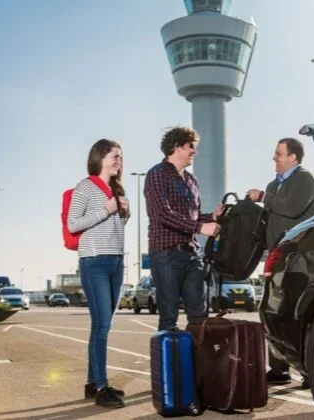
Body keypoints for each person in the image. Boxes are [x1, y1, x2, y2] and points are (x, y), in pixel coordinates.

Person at [247, 137, 314, 386]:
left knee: (298, 313)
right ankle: (279, 369)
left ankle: (311, 371)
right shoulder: (272, 184)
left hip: (298, 259)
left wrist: (264, 196)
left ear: (293, 158)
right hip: (276, 260)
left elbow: (292, 208)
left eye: (279, 154)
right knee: (272, 311)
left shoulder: (305, 179)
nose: (274, 158)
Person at [67, 138, 130, 409]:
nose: (118, 160)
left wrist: (124, 214)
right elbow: (73, 224)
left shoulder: (117, 189)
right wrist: (107, 209)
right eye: (113, 156)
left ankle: (93, 383)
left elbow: (115, 228)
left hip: (116, 262)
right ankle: (103, 387)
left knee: (101, 325)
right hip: (94, 261)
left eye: (120, 156)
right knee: (102, 325)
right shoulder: (86, 186)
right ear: (99, 157)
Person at [144, 126, 222, 332]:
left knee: (199, 315)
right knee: (169, 317)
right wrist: (200, 227)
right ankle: (170, 364)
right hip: (166, 254)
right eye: (191, 146)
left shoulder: (191, 180)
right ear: (177, 147)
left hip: (192, 254)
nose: (194, 151)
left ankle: (197, 364)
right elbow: (163, 214)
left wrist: (212, 217)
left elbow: (192, 216)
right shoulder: (157, 174)